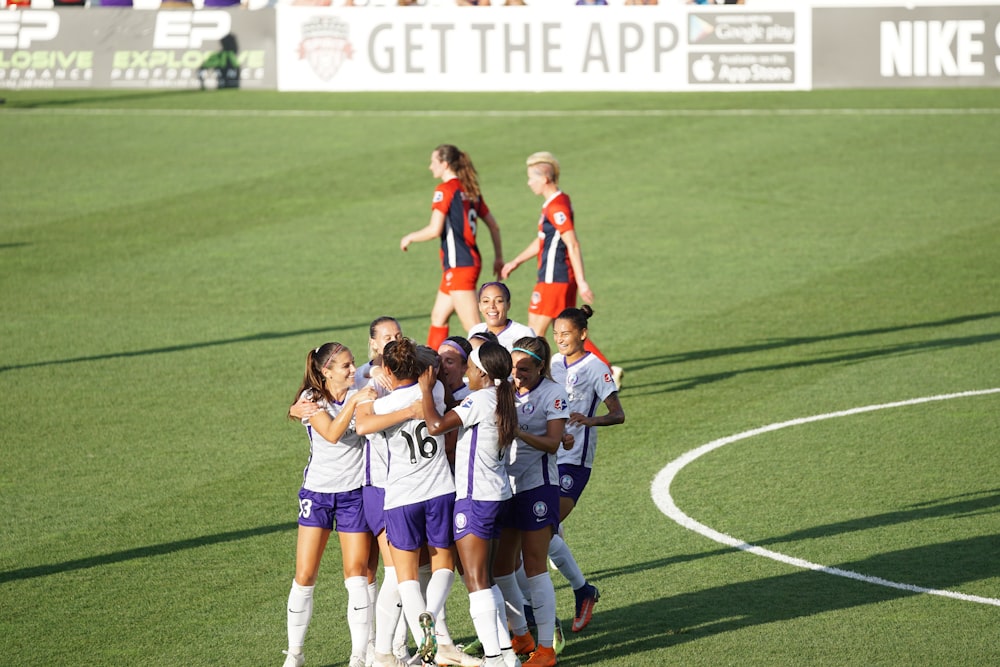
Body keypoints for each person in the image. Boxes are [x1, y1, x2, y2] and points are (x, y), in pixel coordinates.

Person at [355, 338, 457, 667]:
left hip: (400, 497)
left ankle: (422, 634)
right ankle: (432, 618)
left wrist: (369, 393)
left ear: (387, 371)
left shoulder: (382, 407)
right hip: (440, 489)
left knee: (405, 576)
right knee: (443, 565)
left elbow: (363, 424)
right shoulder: (436, 392)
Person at [418, 341, 520, 667]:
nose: (467, 374)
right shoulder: (502, 398)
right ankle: (506, 656)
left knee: (475, 583)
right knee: (485, 580)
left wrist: (423, 391)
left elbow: (435, 426)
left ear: (480, 372)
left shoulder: (478, 399)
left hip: (476, 499)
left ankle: (493, 658)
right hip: (498, 495)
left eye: (471, 369)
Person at [282, 343, 377, 667]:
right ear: (326, 371)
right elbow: (333, 433)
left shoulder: (359, 383)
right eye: (346, 366)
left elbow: (377, 368)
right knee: (305, 575)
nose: (353, 370)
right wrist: (354, 402)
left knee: (356, 576)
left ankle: (358, 657)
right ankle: (295, 654)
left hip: (353, 494)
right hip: (318, 494)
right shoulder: (312, 400)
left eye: (353, 364)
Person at [500, 151, 623, 389]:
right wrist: (516, 261)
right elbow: (543, 241)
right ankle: (605, 370)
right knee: (564, 329)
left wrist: (583, 280)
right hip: (556, 277)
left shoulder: (557, 206)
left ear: (544, 178)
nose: (528, 183)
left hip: (554, 278)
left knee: (535, 332)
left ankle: (537, 378)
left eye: (531, 177)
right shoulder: (556, 202)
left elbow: (572, 242)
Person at [548, 306, 624, 634]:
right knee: (540, 529)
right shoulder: (551, 364)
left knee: (541, 527)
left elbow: (618, 413)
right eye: (556, 334)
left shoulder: (596, 367)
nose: (561, 339)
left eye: (566, 334)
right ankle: (581, 591)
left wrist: (589, 420)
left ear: (582, 334)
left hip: (576, 461)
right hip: (548, 455)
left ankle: (579, 593)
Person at [495, 336, 568, 667]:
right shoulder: (507, 391)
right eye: (513, 368)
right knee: (501, 567)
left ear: (541, 367)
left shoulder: (553, 395)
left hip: (538, 486)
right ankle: (522, 635)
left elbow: (553, 444)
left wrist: (518, 432)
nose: (516, 375)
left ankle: (546, 649)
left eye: (524, 369)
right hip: (506, 486)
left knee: (535, 565)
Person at [401, 145, 504, 351]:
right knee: (438, 317)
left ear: (445, 164)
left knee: (475, 329)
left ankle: (499, 371)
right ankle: (431, 366)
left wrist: (410, 237)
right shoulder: (470, 189)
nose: (430, 167)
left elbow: (434, 229)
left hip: (460, 266)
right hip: (465, 263)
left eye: (433, 162)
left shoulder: (445, 190)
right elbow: (493, 225)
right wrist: (498, 258)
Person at [468, 282, 536, 352]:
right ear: (479, 306)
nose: (492, 306)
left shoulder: (523, 334)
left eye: (499, 301)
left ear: (508, 305)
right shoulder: (476, 330)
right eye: (486, 301)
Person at [356, 316, 403, 393]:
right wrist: (372, 370)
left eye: (398, 336)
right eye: (388, 338)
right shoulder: (364, 378)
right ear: (373, 344)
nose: (395, 342)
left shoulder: (410, 366)